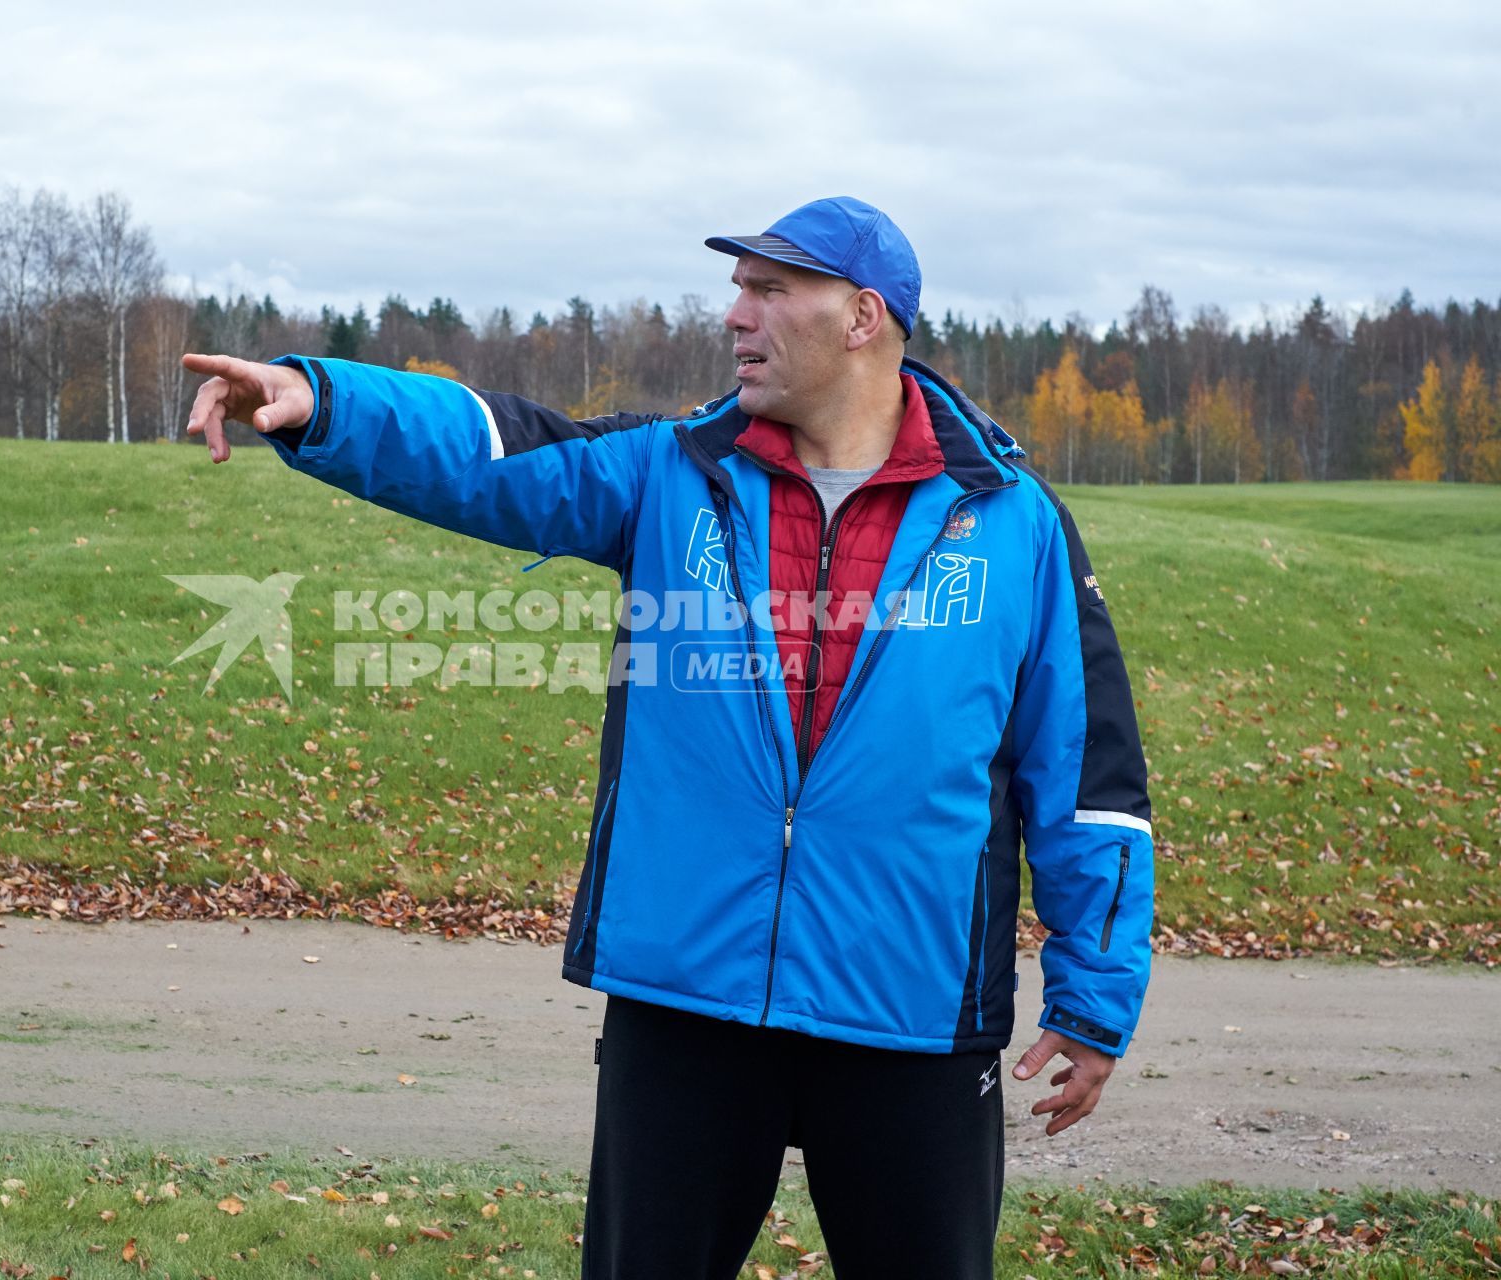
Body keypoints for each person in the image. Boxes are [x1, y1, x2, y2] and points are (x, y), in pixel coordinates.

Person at [182, 196, 1155, 1280]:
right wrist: (321, 399)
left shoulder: (1013, 519)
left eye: (770, 289)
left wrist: (1093, 994)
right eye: (739, 287)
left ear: (863, 316)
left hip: (912, 1016)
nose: (736, 314)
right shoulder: (669, 474)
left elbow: (1092, 781)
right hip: (688, 1003)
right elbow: (493, 451)